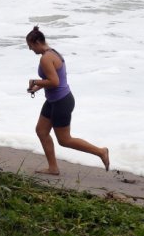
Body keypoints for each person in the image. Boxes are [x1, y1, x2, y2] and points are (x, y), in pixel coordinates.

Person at [25, 26, 110, 175]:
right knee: (41, 131)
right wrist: (36, 88)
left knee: (64, 140)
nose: (30, 49)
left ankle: (101, 152)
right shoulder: (52, 53)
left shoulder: (46, 58)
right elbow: (52, 79)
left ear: (37, 42)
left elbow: (54, 82)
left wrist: (35, 81)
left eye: (30, 46)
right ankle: (53, 168)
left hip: (61, 102)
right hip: (53, 100)